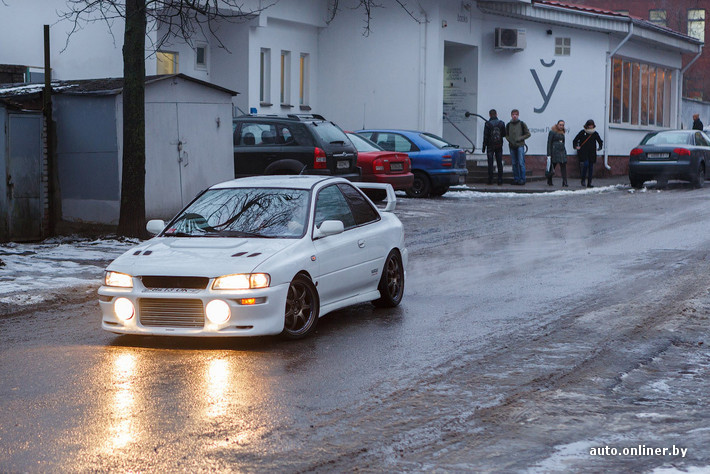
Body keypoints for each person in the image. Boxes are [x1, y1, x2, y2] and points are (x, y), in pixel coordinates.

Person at [573, 119, 604, 188]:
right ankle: (583, 179)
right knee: (586, 164)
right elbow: (575, 140)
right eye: (589, 125)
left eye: (592, 125)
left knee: (591, 167)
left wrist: (599, 147)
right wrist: (576, 146)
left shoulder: (595, 133)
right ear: (587, 125)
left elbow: (600, 141)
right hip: (584, 152)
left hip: (592, 153)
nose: (590, 126)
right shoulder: (583, 132)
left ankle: (589, 183)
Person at [506, 109, 531, 185]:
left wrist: (520, 138)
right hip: (512, 146)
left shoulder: (522, 124)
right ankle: (516, 179)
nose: (514, 116)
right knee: (514, 163)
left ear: (518, 115)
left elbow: (528, 134)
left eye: (516, 114)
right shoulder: (508, 125)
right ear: (511, 115)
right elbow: (506, 134)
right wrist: (510, 140)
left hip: (520, 146)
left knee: (521, 163)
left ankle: (522, 179)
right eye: (513, 114)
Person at [481, 109, 506, 185]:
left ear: (489, 115)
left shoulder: (487, 124)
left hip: (490, 145)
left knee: (490, 163)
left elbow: (485, 136)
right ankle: (500, 180)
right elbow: (504, 134)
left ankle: (490, 180)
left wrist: (484, 146)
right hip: (499, 145)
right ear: (496, 114)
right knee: (499, 162)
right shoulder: (501, 123)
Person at [547, 119, 568, 187]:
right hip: (554, 151)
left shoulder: (562, 132)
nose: (561, 126)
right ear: (557, 125)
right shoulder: (552, 132)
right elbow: (549, 143)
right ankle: (549, 179)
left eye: (563, 125)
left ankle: (565, 181)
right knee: (553, 166)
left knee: (563, 165)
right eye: (560, 125)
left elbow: (563, 142)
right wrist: (549, 154)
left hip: (561, 151)